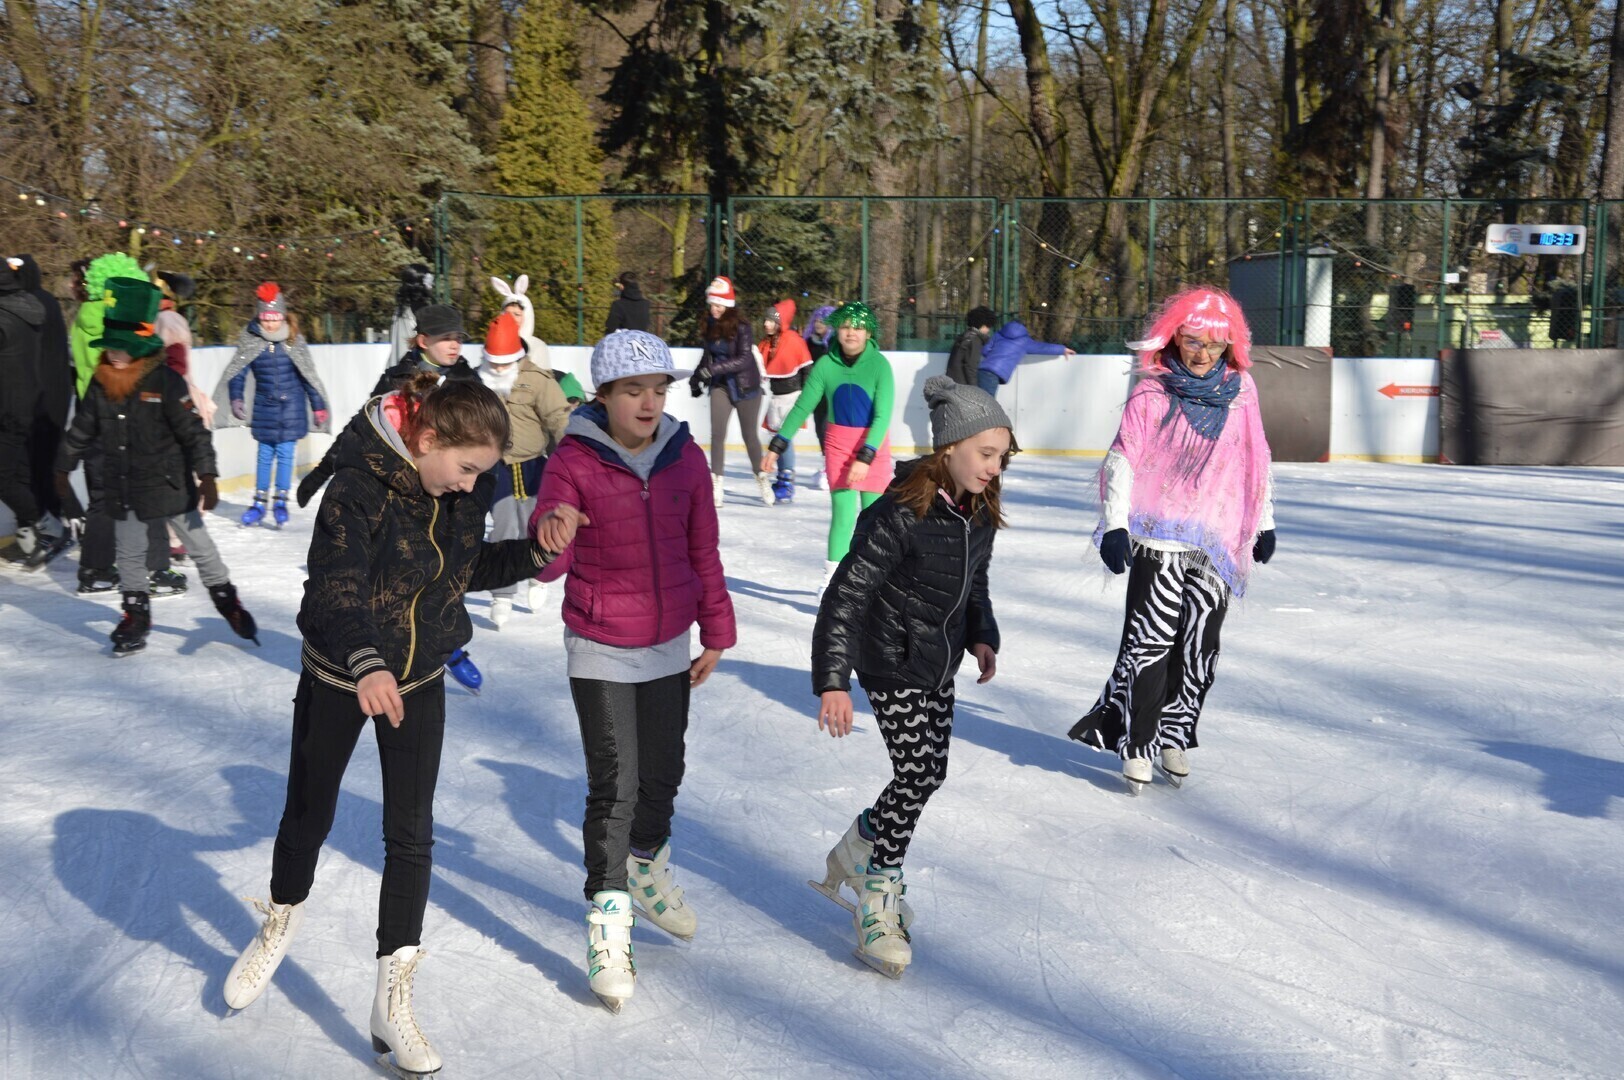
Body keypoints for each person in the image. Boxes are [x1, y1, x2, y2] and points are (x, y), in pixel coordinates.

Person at [222, 374, 551, 1075]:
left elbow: (463, 569)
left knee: (411, 835)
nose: (469, 486)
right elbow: (334, 585)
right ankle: (281, 916)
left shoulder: (458, 491)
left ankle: (391, 996)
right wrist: (368, 662)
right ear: (427, 439)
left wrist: (536, 552)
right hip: (343, 676)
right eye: (465, 469)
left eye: (481, 475)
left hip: (420, 678)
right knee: (308, 814)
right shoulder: (357, 486)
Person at [529, 329, 736, 1012]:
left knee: (663, 773)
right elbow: (549, 552)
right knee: (614, 785)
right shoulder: (574, 459)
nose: (648, 402)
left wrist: (717, 628)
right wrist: (553, 528)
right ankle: (609, 924)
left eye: (657, 389)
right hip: (599, 644)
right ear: (606, 395)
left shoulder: (685, 458)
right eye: (632, 391)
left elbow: (701, 546)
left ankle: (645, 866)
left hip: (669, 640)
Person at [807, 375, 1012, 978]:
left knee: (930, 771)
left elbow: (975, 583)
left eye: (1001, 457)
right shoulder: (898, 512)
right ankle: (877, 894)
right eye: (986, 453)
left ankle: (858, 845)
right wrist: (834, 680)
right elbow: (843, 598)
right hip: (890, 660)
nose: (994, 468)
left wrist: (983, 633)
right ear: (948, 447)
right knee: (918, 769)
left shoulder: (979, 510)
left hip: (938, 659)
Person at [1067, 287, 1275, 794]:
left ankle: (1175, 735)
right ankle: (1138, 743)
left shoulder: (1242, 389)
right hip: (1158, 534)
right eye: (1192, 339)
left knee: (1200, 644)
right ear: (1175, 336)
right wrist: (1115, 524)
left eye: (1215, 344)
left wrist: (1264, 519)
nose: (1202, 352)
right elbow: (1123, 457)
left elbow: (1256, 459)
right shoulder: (1153, 389)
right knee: (1150, 642)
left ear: (1231, 346)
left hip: (1218, 538)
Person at [53, 277, 258, 656]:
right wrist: (63, 467)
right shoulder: (100, 384)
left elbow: (193, 433)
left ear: (139, 347)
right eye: (110, 347)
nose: (114, 354)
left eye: (122, 348)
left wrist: (208, 475)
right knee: (130, 554)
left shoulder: (165, 381)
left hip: (170, 485)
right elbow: (81, 429)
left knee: (200, 547)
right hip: (125, 486)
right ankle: (136, 615)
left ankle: (227, 601)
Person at [296, 302, 485, 692]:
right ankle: (399, 651)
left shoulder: (469, 381)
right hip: (400, 497)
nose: (454, 345)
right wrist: (321, 472)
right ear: (422, 340)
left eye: (458, 338)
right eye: (445, 338)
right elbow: (361, 427)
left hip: (450, 498)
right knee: (403, 573)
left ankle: (445, 645)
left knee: (446, 568)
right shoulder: (398, 379)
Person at [761, 301, 896, 588]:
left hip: (871, 445)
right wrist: (778, 445)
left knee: (874, 521)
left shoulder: (880, 366)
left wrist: (867, 456)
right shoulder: (825, 365)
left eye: (859, 328)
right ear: (837, 329)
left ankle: (874, 582)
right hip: (839, 445)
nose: (851, 333)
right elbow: (801, 407)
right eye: (846, 326)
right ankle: (833, 582)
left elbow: (883, 416)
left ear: (869, 334)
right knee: (844, 515)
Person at [66, 253, 175, 593]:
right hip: (127, 414)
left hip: (93, 412)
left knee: (102, 496)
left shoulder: (83, 318)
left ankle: (95, 570)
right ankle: (155, 569)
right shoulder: (128, 322)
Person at [476, 310, 571, 627]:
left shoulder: (535, 379)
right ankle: (502, 595)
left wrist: (572, 456)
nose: (499, 368)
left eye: (505, 362)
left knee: (536, 523)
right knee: (504, 526)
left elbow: (559, 417)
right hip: (495, 467)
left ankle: (538, 576)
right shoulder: (479, 380)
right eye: (494, 362)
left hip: (533, 466)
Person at [215, 282, 331, 529]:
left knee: (286, 455)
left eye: (275, 317)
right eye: (266, 318)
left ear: (282, 316)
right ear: (259, 316)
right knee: (265, 455)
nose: (270, 323)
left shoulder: (293, 340)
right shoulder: (251, 339)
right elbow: (238, 372)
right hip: (264, 408)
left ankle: (280, 500)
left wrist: (317, 406)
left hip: (292, 409)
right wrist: (236, 398)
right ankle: (259, 502)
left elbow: (307, 375)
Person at [0, 255, 73, 569]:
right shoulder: (26, 307)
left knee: (9, 476)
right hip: (28, 402)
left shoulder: (5, 316)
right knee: (19, 473)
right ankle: (36, 535)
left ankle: (49, 527)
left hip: (13, 407)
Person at [688, 276, 771, 507]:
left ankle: (761, 477)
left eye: (719, 305)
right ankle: (716, 482)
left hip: (746, 387)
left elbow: (744, 359)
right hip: (721, 386)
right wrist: (696, 379)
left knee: (750, 437)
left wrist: (711, 370)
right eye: (712, 304)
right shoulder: (709, 324)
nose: (714, 309)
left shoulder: (742, 327)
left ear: (728, 305)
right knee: (717, 434)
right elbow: (707, 356)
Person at [756, 299, 813, 503]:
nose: (766, 324)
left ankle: (787, 481)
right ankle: (782, 480)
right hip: (775, 399)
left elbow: (807, 369)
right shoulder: (766, 344)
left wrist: (806, 400)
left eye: (771, 321)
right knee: (776, 440)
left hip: (792, 398)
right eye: (765, 320)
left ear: (780, 323)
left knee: (784, 438)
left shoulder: (794, 341)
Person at [975, 319, 1076, 398]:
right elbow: (1042, 347)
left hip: (983, 368)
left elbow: (985, 350)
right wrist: (1062, 349)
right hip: (995, 373)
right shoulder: (1024, 341)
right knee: (987, 403)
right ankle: (985, 424)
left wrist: (994, 357)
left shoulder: (998, 335)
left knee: (982, 400)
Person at [803, 304, 836, 489]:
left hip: (832, 392)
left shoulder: (834, 343)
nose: (818, 324)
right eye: (816, 320)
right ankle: (827, 463)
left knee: (828, 428)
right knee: (820, 429)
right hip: (816, 392)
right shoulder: (808, 342)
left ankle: (831, 467)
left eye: (822, 321)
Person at [946, 305, 996, 386]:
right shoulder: (975, 340)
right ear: (983, 325)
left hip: (953, 381)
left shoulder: (965, 336)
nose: (988, 330)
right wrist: (975, 389)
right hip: (962, 385)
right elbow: (970, 367)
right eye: (988, 326)